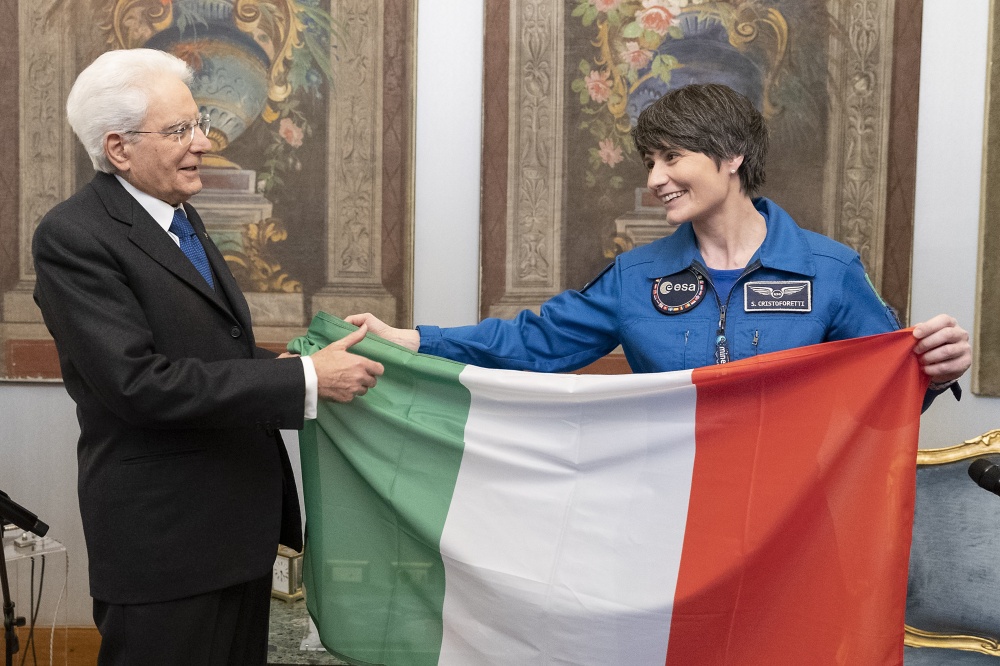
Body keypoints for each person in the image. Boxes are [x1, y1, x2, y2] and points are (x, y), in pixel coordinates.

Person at [32, 49, 383, 665]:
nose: (203, 142)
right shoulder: (75, 236)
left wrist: (298, 361)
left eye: (198, 124)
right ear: (119, 149)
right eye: (180, 131)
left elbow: (212, 350)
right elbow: (138, 384)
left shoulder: (180, 217)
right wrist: (304, 378)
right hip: (165, 546)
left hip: (236, 536)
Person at [348, 83, 971, 405]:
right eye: (650, 161)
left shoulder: (831, 271)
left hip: (794, 522)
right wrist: (415, 340)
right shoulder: (636, 276)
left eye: (673, 157)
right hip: (667, 521)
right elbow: (532, 346)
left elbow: (884, 396)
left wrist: (933, 373)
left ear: (732, 156)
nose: (654, 180)